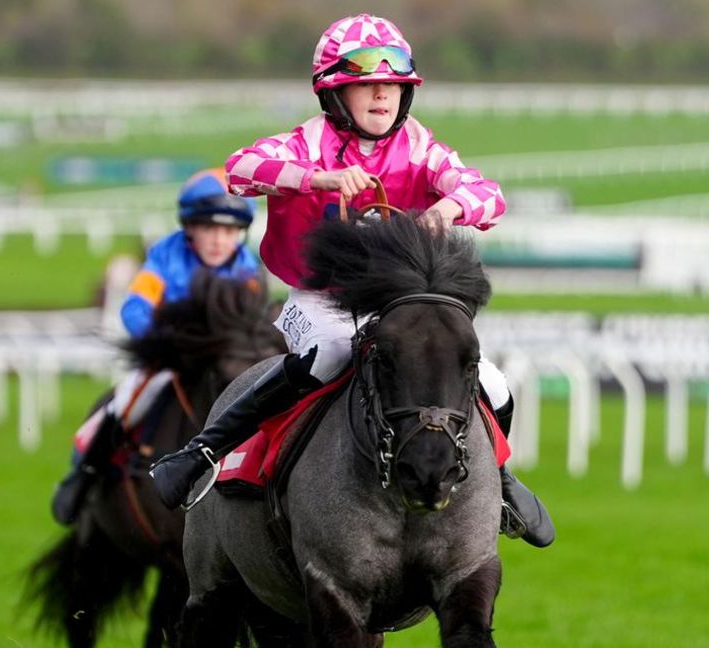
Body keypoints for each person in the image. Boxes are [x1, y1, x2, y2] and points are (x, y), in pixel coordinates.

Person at [147, 13, 554, 547]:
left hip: (396, 302)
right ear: (335, 94)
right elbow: (242, 169)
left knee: (493, 382)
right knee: (331, 355)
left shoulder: (420, 145)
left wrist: (450, 208)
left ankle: (497, 480)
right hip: (317, 299)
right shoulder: (305, 142)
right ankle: (204, 451)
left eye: (392, 85)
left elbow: (488, 194)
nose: (383, 95)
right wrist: (318, 177)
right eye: (368, 85)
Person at [48, 169, 260, 526]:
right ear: (190, 228)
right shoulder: (166, 255)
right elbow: (135, 308)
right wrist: (162, 341)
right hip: (167, 360)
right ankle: (83, 474)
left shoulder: (246, 269)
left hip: (222, 363)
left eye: (228, 230)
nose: (219, 240)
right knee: (128, 401)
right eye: (209, 228)